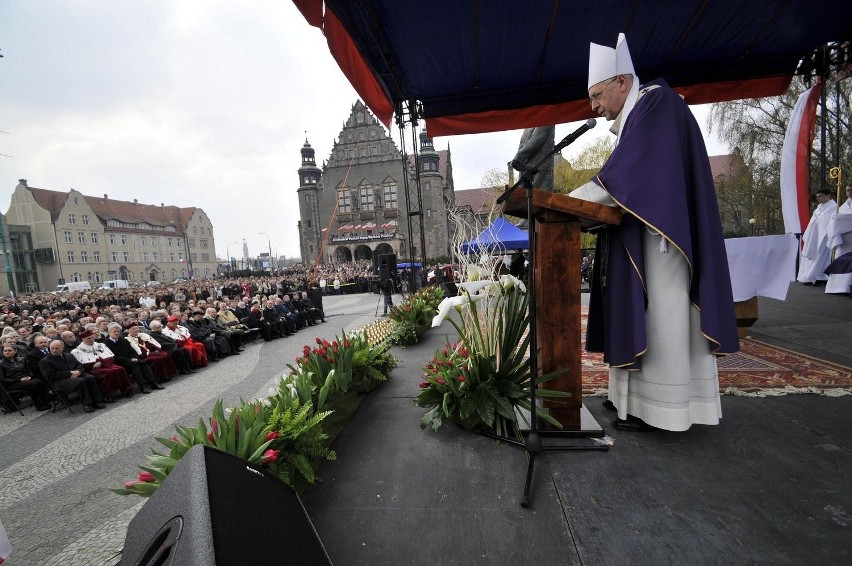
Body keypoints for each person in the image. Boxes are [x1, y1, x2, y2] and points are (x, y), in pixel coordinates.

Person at [571, 33, 738, 432]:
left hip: (663, 240)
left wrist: (564, 201)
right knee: (638, 311)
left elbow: (621, 180)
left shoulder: (655, 103)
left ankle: (664, 408)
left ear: (621, 82)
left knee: (663, 315)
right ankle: (629, 402)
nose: (593, 106)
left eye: (597, 95)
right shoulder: (641, 114)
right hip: (643, 234)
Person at [40, 339, 105, 413]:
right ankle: (87, 404)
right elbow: (50, 376)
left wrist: (78, 372)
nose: (54, 350)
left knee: (90, 378)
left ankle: (97, 401)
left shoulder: (69, 355)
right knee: (80, 381)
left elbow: (79, 365)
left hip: (75, 376)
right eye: (52, 348)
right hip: (59, 381)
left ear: (62, 348)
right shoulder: (45, 361)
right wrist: (70, 373)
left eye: (57, 348)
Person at [71, 328, 133, 402]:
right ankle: (109, 395)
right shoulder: (78, 351)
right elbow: (82, 365)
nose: (91, 339)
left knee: (120, 369)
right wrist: (94, 364)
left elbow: (111, 357)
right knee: (106, 373)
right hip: (92, 368)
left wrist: (101, 362)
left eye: (92, 337)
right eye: (88, 338)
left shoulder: (100, 345)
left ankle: (126, 390)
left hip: (106, 364)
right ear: (82, 339)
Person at [797, 188, 837, 284]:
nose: (819, 198)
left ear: (828, 196)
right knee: (810, 256)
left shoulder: (833, 207)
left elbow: (828, 221)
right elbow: (813, 222)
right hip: (813, 236)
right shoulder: (819, 208)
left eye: (821, 196)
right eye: (817, 197)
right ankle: (808, 276)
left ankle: (817, 276)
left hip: (823, 235)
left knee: (821, 255)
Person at [1, 343, 51, 411]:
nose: (7, 352)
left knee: (39, 381)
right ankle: (37, 403)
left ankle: (44, 401)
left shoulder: (21, 359)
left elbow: (28, 370)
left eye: (9, 350)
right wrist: (19, 380)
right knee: (33, 384)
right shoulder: (1, 363)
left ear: (15, 351)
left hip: (25, 378)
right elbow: (3, 379)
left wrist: (29, 376)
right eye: (5, 351)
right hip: (12, 383)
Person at [826, 183, 852, 293]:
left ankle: (847, 287)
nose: (849, 192)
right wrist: (836, 219)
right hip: (843, 239)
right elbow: (834, 219)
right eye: (847, 190)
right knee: (840, 260)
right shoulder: (843, 206)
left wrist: (838, 220)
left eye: (851, 190)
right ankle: (837, 287)